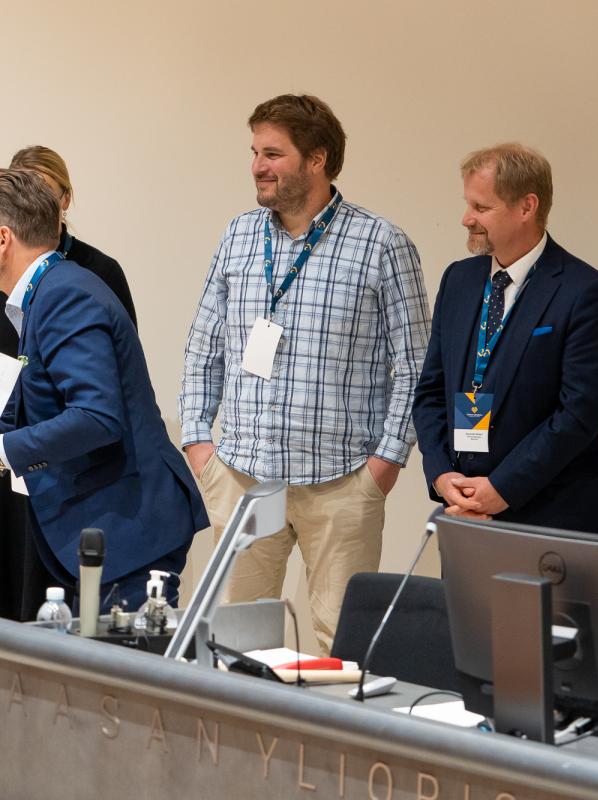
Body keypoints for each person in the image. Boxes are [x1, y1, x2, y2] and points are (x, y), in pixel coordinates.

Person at [0, 168, 207, 612]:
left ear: (3, 238)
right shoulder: (45, 293)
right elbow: (15, 418)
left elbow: (96, 417)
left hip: (129, 532)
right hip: (113, 527)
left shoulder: (65, 297)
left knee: (117, 678)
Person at [178, 95, 430, 654]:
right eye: (255, 152)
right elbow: (204, 345)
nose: (258, 167)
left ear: (317, 160)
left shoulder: (382, 244)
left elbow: (415, 364)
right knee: (235, 643)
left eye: (273, 153)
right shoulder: (239, 235)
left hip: (340, 482)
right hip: (244, 476)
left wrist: (385, 464)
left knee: (341, 647)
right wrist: (198, 442)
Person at [0, 145, 138, 621]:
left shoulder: (93, 275)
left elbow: (105, 395)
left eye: (43, 194)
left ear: (65, 200)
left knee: (53, 604)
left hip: (62, 461)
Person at [412, 143, 598, 534]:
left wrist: (503, 487)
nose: (465, 218)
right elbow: (430, 391)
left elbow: (578, 414)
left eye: (481, 207)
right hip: (465, 510)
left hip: (554, 518)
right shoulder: (458, 280)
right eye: (467, 204)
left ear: (527, 207)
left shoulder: (585, 292)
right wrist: (442, 476)